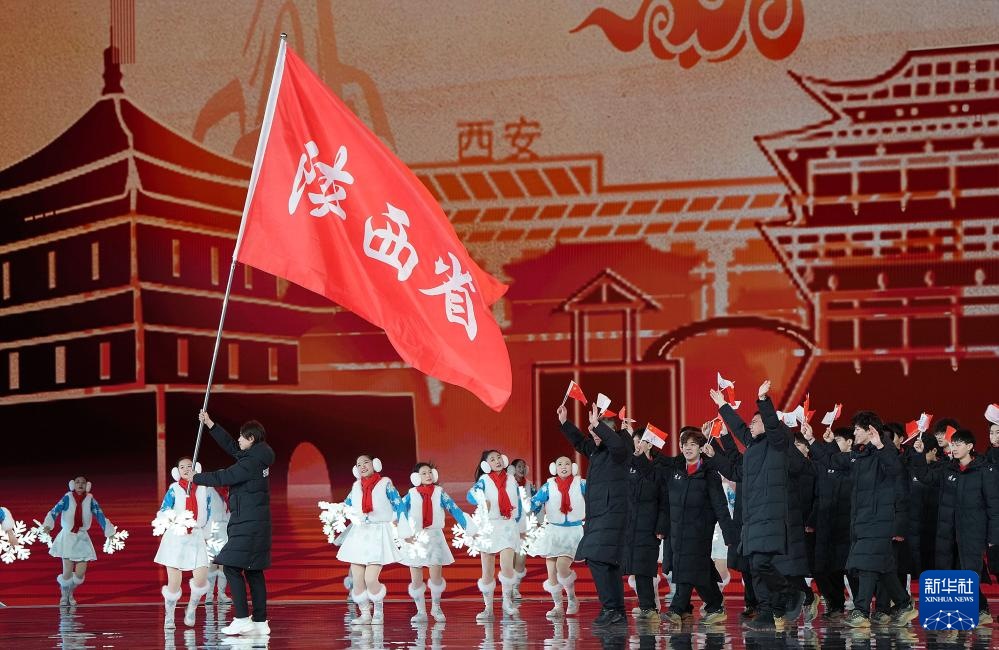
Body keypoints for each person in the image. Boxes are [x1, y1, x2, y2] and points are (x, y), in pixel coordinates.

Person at [805, 410, 918, 628]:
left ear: (870, 431)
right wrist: (811, 440)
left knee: (865, 565)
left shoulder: (885, 452)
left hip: (879, 521)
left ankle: (861, 611)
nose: (854, 433)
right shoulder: (858, 455)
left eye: (857, 429)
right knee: (881, 567)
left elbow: (895, 469)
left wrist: (881, 445)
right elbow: (831, 460)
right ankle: (904, 604)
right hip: (860, 521)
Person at [711, 379, 796, 632]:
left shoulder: (778, 443)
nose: (751, 423)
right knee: (754, 567)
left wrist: (763, 400)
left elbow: (771, 424)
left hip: (770, 514)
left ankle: (787, 593)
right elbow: (736, 469)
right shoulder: (752, 450)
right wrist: (723, 407)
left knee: (760, 564)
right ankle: (769, 610)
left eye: (756, 420)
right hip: (752, 517)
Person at [193, 411, 274, 636]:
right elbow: (231, 446)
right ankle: (260, 622)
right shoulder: (257, 457)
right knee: (254, 571)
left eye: (241, 436)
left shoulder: (250, 463)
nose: (238, 439)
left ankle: (241, 619)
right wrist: (210, 424)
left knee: (230, 566)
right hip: (256, 523)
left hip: (248, 523)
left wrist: (195, 478)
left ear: (251, 439)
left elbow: (223, 477)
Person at [912, 429, 999, 626]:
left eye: (958, 444)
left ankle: (971, 613)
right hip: (947, 532)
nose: (954, 448)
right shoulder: (947, 469)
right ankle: (959, 615)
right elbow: (925, 476)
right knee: (949, 573)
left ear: (970, 446)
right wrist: (919, 455)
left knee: (969, 573)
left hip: (972, 533)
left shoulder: (985, 471)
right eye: (953, 444)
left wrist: (993, 537)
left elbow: (994, 508)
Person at [557, 402, 630, 627]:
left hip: (612, 513)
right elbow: (580, 442)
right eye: (593, 432)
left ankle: (610, 607)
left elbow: (616, 442)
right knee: (607, 563)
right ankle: (616, 611)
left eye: (598, 431)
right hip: (598, 515)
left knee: (597, 558)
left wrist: (598, 425)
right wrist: (565, 422)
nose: (594, 436)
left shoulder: (620, 448)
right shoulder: (596, 451)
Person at [660, 427, 734, 626]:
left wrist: (729, 534)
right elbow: (667, 503)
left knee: (688, 567)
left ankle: (677, 608)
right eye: (685, 444)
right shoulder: (676, 472)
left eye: (693, 444)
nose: (688, 448)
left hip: (700, 531)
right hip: (678, 532)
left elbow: (720, 506)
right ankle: (715, 605)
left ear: (701, 448)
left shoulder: (709, 474)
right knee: (700, 571)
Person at [398, 461, 473, 623]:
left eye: (430, 472)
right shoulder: (411, 494)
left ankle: (436, 607)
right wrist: (404, 532)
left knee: (436, 577)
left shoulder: (440, 493)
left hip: (435, 538)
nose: (428, 475)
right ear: (416, 477)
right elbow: (399, 512)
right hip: (416, 538)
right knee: (416, 578)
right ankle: (421, 611)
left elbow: (454, 509)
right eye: (424, 473)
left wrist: (469, 527)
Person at [335, 454, 402, 625]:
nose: (362, 466)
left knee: (370, 579)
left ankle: (378, 610)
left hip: (378, 534)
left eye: (366, 462)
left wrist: (402, 525)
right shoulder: (356, 487)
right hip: (359, 534)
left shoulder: (385, 484)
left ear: (375, 464)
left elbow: (399, 505)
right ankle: (365, 614)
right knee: (357, 580)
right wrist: (334, 514)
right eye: (359, 464)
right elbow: (346, 505)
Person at [467, 449, 526, 620]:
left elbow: (519, 503)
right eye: (492, 459)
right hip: (489, 526)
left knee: (507, 567)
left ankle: (507, 602)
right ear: (486, 465)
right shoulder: (484, 480)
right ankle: (488, 608)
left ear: (504, 460)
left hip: (508, 525)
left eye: (498, 457)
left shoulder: (512, 479)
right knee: (487, 571)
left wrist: (521, 527)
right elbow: (470, 495)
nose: (497, 461)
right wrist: (481, 500)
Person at [155, 457, 213, 629]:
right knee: (174, 582)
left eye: (190, 466)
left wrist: (207, 533)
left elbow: (208, 512)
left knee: (201, 579)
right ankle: (169, 616)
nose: (186, 469)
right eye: (182, 467)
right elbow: (164, 510)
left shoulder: (204, 489)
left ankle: (191, 608)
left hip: (196, 535)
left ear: (197, 469)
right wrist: (176, 520)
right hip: (177, 536)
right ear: (177, 471)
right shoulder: (174, 489)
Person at [42, 475, 117, 606]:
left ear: (87, 485)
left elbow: (100, 515)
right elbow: (55, 511)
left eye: (83, 482)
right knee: (67, 573)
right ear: (73, 485)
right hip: (67, 537)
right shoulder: (67, 497)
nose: (80, 484)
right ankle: (65, 594)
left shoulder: (90, 499)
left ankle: (70, 591)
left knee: (79, 574)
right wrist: (48, 525)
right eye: (77, 482)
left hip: (82, 538)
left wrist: (109, 532)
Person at [621, 426, 669, 624]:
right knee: (630, 566)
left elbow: (664, 500)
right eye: (634, 442)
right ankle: (644, 605)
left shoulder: (660, 467)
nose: (636, 446)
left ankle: (649, 607)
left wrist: (661, 526)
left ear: (649, 444)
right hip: (628, 525)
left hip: (649, 525)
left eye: (640, 442)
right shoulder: (628, 465)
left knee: (644, 567)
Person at [529, 455, 586, 619]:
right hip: (553, 531)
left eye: (567, 463)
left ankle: (572, 597)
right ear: (554, 468)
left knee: (562, 566)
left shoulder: (581, 484)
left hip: (573, 532)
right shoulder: (548, 486)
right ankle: (558, 605)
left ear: (573, 467)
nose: (564, 466)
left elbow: (597, 496)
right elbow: (534, 502)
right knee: (551, 571)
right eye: (560, 464)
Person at [809, 425, 857, 620]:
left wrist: (814, 442)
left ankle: (861, 606)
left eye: (837, 441)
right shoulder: (826, 464)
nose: (833, 444)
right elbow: (818, 493)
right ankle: (835, 604)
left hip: (848, 524)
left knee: (849, 569)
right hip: (825, 523)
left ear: (849, 442)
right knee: (822, 568)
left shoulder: (855, 461)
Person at [509, 458, 535, 597]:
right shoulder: (507, 484)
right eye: (519, 466)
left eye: (524, 466)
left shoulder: (530, 485)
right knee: (510, 559)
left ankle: (515, 588)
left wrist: (536, 523)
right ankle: (508, 588)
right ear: (512, 469)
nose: (522, 469)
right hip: (509, 527)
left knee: (521, 559)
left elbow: (536, 505)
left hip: (524, 527)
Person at [204, 484, 232, 604]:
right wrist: (204, 531)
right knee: (211, 562)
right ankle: (208, 595)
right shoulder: (209, 491)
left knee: (223, 563)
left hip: (225, 528)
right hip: (212, 528)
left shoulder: (229, 491)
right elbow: (204, 510)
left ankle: (221, 594)